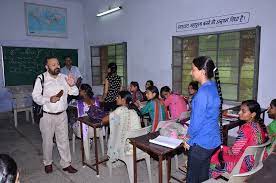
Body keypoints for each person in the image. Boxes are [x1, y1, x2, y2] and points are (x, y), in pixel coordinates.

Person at [32, 56, 78, 174]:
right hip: (47, 115)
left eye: (57, 64)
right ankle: (48, 162)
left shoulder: (64, 77)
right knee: (47, 141)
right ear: (46, 67)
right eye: (53, 65)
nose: (57, 66)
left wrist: (72, 85)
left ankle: (66, 163)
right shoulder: (41, 78)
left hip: (62, 114)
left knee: (63, 140)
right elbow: (36, 96)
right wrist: (48, 99)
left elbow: (75, 93)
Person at [183, 56, 222, 183]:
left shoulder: (202, 93)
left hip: (202, 141)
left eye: (193, 69)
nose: (191, 72)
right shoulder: (212, 87)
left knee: (192, 178)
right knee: (203, 174)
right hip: (212, 139)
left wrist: (188, 139)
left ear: (202, 71)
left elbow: (196, 122)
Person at [210, 100, 268, 178]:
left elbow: (234, 152)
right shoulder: (259, 125)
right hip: (255, 161)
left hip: (243, 164)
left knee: (214, 153)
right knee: (222, 148)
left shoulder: (246, 129)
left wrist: (228, 150)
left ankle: (208, 176)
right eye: (240, 110)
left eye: (243, 111)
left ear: (253, 114)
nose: (239, 113)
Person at [102, 91, 142, 163]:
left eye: (118, 97)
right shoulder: (134, 110)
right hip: (138, 142)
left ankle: (116, 157)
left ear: (123, 100)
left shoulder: (120, 110)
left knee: (114, 135)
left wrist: (111, 114)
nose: (116, 99)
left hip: (129, 145)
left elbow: (104, 120)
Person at [72, 84, 101, 161]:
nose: (79, 91)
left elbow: (80, 116)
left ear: (84, 92)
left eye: (80, 90)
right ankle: (90, 140)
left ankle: (87, 155)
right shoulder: (96, 100)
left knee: (78, 124)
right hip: (96, 126)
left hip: (85, 126)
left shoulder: (79, 103)